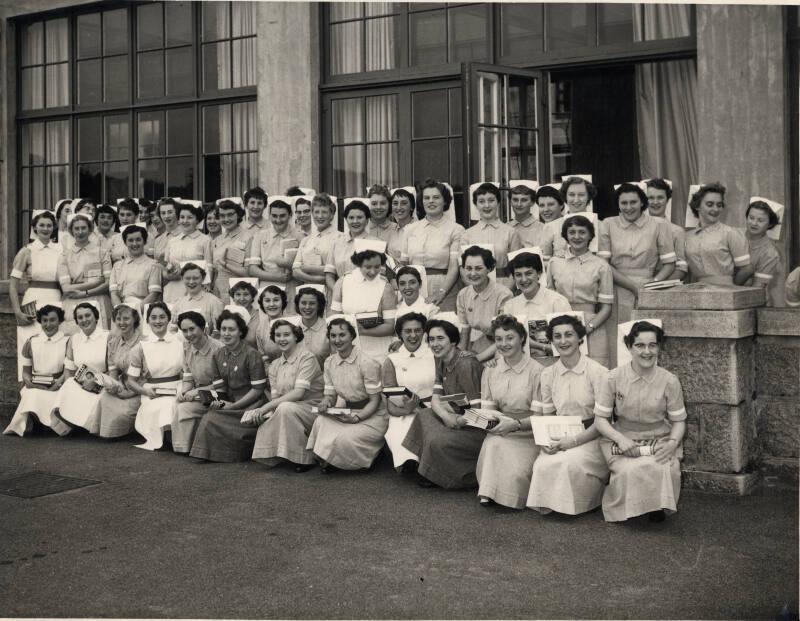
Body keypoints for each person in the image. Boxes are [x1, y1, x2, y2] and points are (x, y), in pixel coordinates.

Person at [594, 321, 687, 523]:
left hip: (660, 437)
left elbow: (679, 421)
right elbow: (600, 420)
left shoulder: (670, 381)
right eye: (640, 345)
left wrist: (672, 443)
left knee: (662, 467)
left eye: (652, 345)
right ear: (629, 347)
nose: (647, 351)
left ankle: (657, 505)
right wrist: (620, 440)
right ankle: (627, 508)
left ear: (659, 347)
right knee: (630, 470)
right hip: (623, 437)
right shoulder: (612, 378)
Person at [526, 315, 610, 515]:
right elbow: (548, 416)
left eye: (569, 335)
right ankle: (553, 504)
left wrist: (573, 441)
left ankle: (582, 502)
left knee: (568, 462)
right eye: (557, 336)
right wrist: (546, 442)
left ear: (580, 338)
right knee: (543, 463)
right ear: (552, 341)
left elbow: (603, 422)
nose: (563, 341)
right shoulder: (548, 374)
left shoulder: (599, 373)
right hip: (560, 435)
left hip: (593, 437)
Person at [402, 318, 485, 489]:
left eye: (440, 338)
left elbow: (479, 412)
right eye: (431, 339)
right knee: (423, 415)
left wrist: (456, 421)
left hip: (476, 426)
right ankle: (431, 468)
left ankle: (448, 475)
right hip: (454, 416)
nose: (435, 344)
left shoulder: (466, 364)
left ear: (453, 341)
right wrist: (446, 417)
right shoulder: (440, 359)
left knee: (437, 439)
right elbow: (436, 397)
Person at [599, 182, 676, 365]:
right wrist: (633, 287)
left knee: (646, 340)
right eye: (623, 203)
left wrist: (652, 285)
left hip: (648, 290)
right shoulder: (608, 224)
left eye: (633, 202)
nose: (629, 207)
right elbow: (604, 265)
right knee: (618, 342)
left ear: (642, 202)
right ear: (618, 204)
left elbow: (669, 264)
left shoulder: (659, 225)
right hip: (615, 287)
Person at [475, 315, 543, 509]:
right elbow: (488, 410)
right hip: (499, 430)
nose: (504, 344)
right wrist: (490, 422)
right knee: (493, 444)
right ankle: (489, 492)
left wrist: (515, 425)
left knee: (514, 469)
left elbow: (540, 417)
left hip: (528, 434)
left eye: (510, 338)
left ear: (522, 338)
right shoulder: (490, 370)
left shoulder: (538, 371)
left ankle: (508, 495)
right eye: (499, 339)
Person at [306, 317, 387, 472]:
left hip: (373, 415)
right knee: (320, 421)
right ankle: (334, 460)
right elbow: (330, 396)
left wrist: (357, 418)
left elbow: (375, 401)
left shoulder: (367, 362)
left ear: (352, 336)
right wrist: (325, 403)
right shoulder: (329, 363)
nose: (337, 340)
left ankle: (368, 458)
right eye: (333, 336)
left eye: (342, 335)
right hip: (348, 411)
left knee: (346, 438)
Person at [188, 309, 268, 462]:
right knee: (210, 415)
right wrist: (219, 402)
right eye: (223, 329)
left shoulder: (252, 354)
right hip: (230, 402)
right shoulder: (218, 354)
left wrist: (234, 406)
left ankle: (236, 451)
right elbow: (220, 388)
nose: (226, 333)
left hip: (252, 405)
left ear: (240, 332)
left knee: (213, 419)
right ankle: (214, 453)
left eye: (231, 329)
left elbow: (258, 390)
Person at [248, 320, 325, 471]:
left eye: (286, 334)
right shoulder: (274, 365)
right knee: (279, 410)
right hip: (289, 409)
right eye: (278, 335)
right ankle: (283, 454)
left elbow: (298, 393)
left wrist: (265, 408)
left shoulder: (307, 358)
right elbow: (276, 399)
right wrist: (265, 414)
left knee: (284, 408)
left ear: (296, 336)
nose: (282, 339)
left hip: (314, 410)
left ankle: (305, 458)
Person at [547, 216, 614, 367]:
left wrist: (587, 328)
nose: (577, 237)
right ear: (565, 235)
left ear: (590, 235)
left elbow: (606, 308)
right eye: (572, 232)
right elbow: (548, 298)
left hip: (592, 325)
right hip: (561, 325)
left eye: (582, 232)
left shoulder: (601, 266)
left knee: (595, 371)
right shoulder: (554, 262)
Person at [10, 210, 62, 380]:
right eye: (42, 225)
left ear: (54, 228)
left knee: (53, 344)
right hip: (33, 301)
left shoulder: (60, 249)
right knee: (31, 343)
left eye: (49, 225)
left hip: (56, 299)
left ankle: (52, 387)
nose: (45, 229)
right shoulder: (27, 251)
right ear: (34, 228)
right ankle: (28, 386)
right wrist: (17, 311)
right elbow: (13, 284)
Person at [4, 304, 70, 437]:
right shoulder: (32, 341)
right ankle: (38, 422)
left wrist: (55, 386)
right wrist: (30, 382)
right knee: (30, 393)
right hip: (37, 383)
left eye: (52, 320)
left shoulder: (67, 341)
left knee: (60, 395)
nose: (48, 324)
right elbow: (25, 371)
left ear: (60, 321)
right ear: (40, 321)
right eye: (45, 320)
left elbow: (67, 371)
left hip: (59, 384)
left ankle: (53, 423)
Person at [125, 302, 184, 450]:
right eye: (154, 317)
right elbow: (131, 381)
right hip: (152, 392)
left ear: (168, 319)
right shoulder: (140, 347)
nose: (158, 321)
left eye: (162, 317)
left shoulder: (180, 342)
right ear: (148, 321)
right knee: (162, 407)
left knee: (174, 405)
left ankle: (175, 438)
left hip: (178, 388)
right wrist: (145, 391)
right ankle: (168, 437)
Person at [382, 312, 436, 473]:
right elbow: (390, 405)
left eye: (417, 330)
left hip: (433, 409)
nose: (413, 335)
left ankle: (427, 467)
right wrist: (408, 409)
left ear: (424, 332)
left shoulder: (435, 354)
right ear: (400, 334)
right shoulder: (392, 360)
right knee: (398, 434)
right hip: (404, 412)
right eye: (408, 331)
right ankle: (410, 463)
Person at [400, 179, 465, 311]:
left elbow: (454, 267)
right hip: (414, 289)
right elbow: (403, 264)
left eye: (436, 197)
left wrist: (441, 292)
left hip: (445, 290)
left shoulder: (456, 230)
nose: (431, 201)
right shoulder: (410, 230)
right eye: (426, 198)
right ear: (421, 201)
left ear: (445, 201)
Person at [51, 301, 110, 433]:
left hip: (102, 384)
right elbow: (69, 370)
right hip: (81, 383)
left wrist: (97, 382)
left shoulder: (108, 336)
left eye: (88, 315)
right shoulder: (74, 339)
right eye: (80, 317)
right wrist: (78, 384)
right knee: (69, 384)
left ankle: (83, 425)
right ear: (77, 321)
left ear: (96, 317)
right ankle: (69, 421)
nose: (84, 320)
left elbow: (114, 370)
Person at [330, 248, 397, 363]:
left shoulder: (386, 287)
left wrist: (361, 330)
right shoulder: (342, 282)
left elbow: (390, 326)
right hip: (349, 348)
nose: (373, 271)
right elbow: (334, 319)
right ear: (358, 263)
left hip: (378, 351)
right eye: (368, 267)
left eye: (377, 267)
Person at [171, 311, 224, 454]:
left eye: (192, 329)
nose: (188, 334)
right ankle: (184, 447)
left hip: (220, 394)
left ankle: (187, 448)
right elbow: (188, 378)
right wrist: (184, 391)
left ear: (202, 328)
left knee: (184, 409)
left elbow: (224, 383)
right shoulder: (186, 348)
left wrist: (196, 392)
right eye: (184, 330)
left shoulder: (218, 349)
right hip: (200, 394)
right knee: (178, 403)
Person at [502, 252, 571, 360]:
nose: (524, 279)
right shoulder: (510, 306)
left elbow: (571, 347)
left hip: (553, 363)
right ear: (514, 278)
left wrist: (536, 345)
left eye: (528, 273)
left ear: (539, 274)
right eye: (518, 275)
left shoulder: (557, 302)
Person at [684, 182, 753, 285]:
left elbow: (747, 269)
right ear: (697, 206)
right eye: (710, 204)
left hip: (725, 289)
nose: (715, 209)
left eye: (719, 205)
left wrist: (732, 287)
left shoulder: (730, 233)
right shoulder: (688, 237)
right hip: (698, 290)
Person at [57, 213, 112, 333]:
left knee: (100, 337)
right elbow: (66, 288)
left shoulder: (102, 253)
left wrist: (84, 293)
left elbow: (108, 283)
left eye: (83, 228)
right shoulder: (65, 256)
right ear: (71, 231)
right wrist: (97, 282)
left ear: (90, 229)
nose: (80, 232)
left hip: (99, 300)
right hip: (73, 301)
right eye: (76, 228)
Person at [456, 245, 513, 361]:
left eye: (478, 268)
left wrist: (477, 358)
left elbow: (505, 337)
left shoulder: (504, 295)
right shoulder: (463, 294)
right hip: (481, 343)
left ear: (489, 269)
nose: (473, 273)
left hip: (504, 346)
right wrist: (460, 357)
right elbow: (465, 332)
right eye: (468, 268)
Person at [96, 303, 144, 438]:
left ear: (134, 319)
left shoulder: (144, 342)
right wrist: (114, 386)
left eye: (126, 318)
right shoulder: (113, 342)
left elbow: (147, 376)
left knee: (122, 413)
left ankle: (127, 430)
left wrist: (129, 393)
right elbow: (113, 371)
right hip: (122, 385)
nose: (122, 323)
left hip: (140, 387)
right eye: (118, 319)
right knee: (105, 398)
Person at [462, 182, 522, 288]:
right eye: (481, 201)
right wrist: (475, 290)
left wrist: (505, 292)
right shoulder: (467, 234)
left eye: (491, 200)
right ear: (475, 205)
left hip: (504, 285)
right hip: (476, 287)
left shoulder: (511, 232)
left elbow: (517, 267)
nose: (487, 205)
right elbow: (462, 269)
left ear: (498, 203)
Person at [247, 198, 304, 300]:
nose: (278, 220)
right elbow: (252, 269)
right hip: (268, 288)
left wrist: (290, 266)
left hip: (292, 288)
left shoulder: (300, 236)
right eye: (274, 216)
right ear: (269, 216)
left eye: (282, 216)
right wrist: (277, 277)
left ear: (290, 215)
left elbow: (304, 266)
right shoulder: (260, 236)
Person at [162, 202, 212, 303]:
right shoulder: (172, 241)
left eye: (189, 217)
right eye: (182, 217)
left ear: (197, 220)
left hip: (195, 289)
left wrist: (206, 287)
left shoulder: (205, 240)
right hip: (173, 290)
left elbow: (209, 266)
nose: (185, 221)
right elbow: (165, 266)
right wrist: (168, 275)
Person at [292, 193, 343, 291]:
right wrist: (318, 279)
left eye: (324, 212)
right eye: (316, 212)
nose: (320, 216)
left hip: (329, 290)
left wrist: (306, 268)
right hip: (306, 291)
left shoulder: (340, 238)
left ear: (332, 215)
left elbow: (338, 270)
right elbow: (295, 271)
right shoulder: (306, 240)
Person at [541, 176, 599, 260]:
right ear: (565, 196)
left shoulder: (600, 225)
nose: (576, 200)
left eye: (581, 195)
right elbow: (544, 261)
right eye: (571, 195)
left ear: (588, 197)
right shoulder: (551, 227)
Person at [324, 200, 375, 287]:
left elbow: (378, 277)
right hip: (340, 292)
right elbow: (329, 276)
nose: (355, 221)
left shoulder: (375, 243)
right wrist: (338, 292)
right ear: (346, 220)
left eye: (359, 217)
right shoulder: (336, 242)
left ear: (367, 220)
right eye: (351, 218)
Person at [109, 225, 162, 308]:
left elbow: (154, 294)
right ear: (125, 242)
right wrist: (120, 310)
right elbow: (114, 294)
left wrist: (135, 311)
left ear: (144, 242)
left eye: (138, 240)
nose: (134, 244)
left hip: (143, 309)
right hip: (121, 310)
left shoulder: (153, 265)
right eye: (130, 240)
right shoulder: (117, 267)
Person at [743, 200, 784, 306]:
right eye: (751, 218)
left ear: (770, 224)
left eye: (760, 220)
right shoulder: (733, 236)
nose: (754, 223)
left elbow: (757, 289)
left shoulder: (770, 253)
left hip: (751, 303)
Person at [645, 178, 688, 281]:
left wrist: (659, 286)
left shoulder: (677, 231)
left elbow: (681, 268)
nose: (655, 202)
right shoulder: (637, 228)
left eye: (660, 197)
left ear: (667, 200)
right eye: (651, 198)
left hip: (664, 285)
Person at [212, 200, 253, 304]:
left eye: (230, 215)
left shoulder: (248, 237)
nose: (226, 219)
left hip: (239, 293)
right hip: (218, 292)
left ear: (238, 215)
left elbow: (249, 272)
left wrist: (226, 265)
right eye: (222, 216)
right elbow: (216, 271)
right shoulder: (217, 240)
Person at [171, 262, 223, 337]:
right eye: (187, 278)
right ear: (182, 279)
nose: (191, 282)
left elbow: (219, 334)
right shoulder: (178, 304)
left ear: (203, 279)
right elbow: (173, 332)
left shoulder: (214, 302)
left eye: (195, 278)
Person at [254, 285, 289, 371]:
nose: (272, 304)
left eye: (276, 300)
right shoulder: (260, 328)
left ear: (283, 302)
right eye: (267, 301)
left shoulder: (293, 323)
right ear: (262, 304)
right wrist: (269, 370)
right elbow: (263, 355)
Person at [293, 287, 331, 366]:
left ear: (319, 306)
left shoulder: (328, 329)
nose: (307, 307)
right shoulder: (292, 329)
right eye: (303, 303)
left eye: (312, 303)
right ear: (298, 305)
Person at [366, 184, 402, 261]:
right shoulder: (361, 229)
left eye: (383, 203)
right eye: (374, 203)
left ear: (389, 205)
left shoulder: (398, 230)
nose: (378, 207)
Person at [509, 183, 546, 248]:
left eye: (524, 200)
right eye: (515, 200)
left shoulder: (543, 229)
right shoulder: (504, 228)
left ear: (532, 203)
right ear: (510, 202)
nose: (519, 204)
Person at [228, 280, 261, 349]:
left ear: (252, 297)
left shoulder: (260, 317)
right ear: (233, 298)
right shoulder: (227, 315)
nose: (242, 299)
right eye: (238, 294)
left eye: (246, 294)